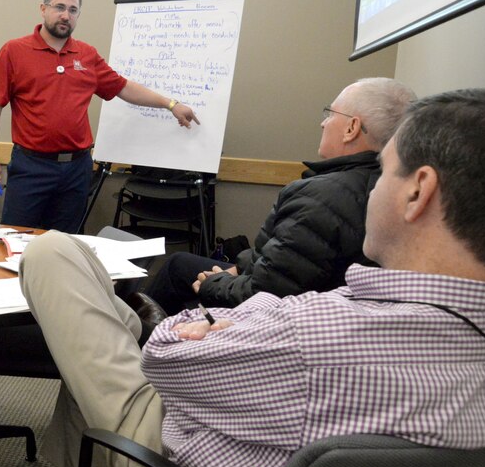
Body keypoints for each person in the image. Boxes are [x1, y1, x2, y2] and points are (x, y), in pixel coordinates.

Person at [19, 88, 485, 467]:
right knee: (109, 327)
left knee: (53, 253)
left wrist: (206, 324)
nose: (371, 188)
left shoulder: (314, 335)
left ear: (418, 191)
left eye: (381, 174)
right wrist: (246, 321)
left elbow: (162, 362)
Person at [147, 76, 416, 314]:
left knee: (176, 269)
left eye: (330, 113)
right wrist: (238, 268)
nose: (323, 123)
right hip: (323, 302)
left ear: (351, 128)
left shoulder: (320, 198)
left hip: (273, 318)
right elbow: (289, 265)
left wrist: (212, 283)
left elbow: (265, 295)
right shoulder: (392, 185)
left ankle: (138, 354)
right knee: (180, 264)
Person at [0, 0, 199, 233]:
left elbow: (122, 87)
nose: (66, 15)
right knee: (16, 238)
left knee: (67, 245)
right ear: (43, 9)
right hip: (32, 166)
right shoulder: (14, 51)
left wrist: (170, 104)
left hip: (76, 168)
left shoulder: (86, 55)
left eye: (73, 10)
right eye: (59, 7)